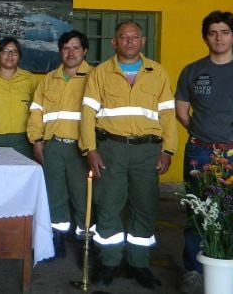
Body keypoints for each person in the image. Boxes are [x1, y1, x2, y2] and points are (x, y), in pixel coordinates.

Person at [176, 11, 233, 294]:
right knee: (196, 213)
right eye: (213, 33)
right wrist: (208, 138)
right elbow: (181, 111)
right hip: (199, 152)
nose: (219, 38)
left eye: (225, 32)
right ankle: (193, 270)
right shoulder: (192, 71)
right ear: (205, 37)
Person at [80, 21, 177, 289]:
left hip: (148, 151)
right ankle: (109, 262)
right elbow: (88, 114)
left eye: (135, 37)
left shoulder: (157, 73)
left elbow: (168, 115)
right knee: (108, 206)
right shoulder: (100, 73)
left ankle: (139, 263)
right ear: (115, 42)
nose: (130, 41)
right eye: (124, 37)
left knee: (145, 207)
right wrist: (90, 149)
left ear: (142, 41)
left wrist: (168, 150)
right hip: (111, 148)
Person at [27, 31, 94, 260]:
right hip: (53, 146)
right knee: (54, 197)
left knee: (83, 197)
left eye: (76, 48)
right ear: (60, 51)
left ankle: (86, 244)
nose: (71, 52)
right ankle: (57, 241)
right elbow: (36, 112)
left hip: (82, 149)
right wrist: (37, 141)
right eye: (66, 48)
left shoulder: (95, 77)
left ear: (84, 51)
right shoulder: (49, 79)